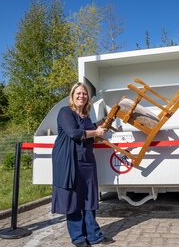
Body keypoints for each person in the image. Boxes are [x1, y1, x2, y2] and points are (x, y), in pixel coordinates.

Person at [51, 82, 115, 247]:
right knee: (73, 199)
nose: (82, 96)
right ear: (72, 96)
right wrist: (96, 132)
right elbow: (74, 133)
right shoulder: (65, 112)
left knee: (89, 198)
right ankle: (78, 238)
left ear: (88, 98)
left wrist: (106, 121)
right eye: (78, 93)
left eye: (84, 94)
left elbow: (92, 130)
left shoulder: (86, 117)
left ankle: (94, 236)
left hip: (87, 161)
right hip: (69, 161)